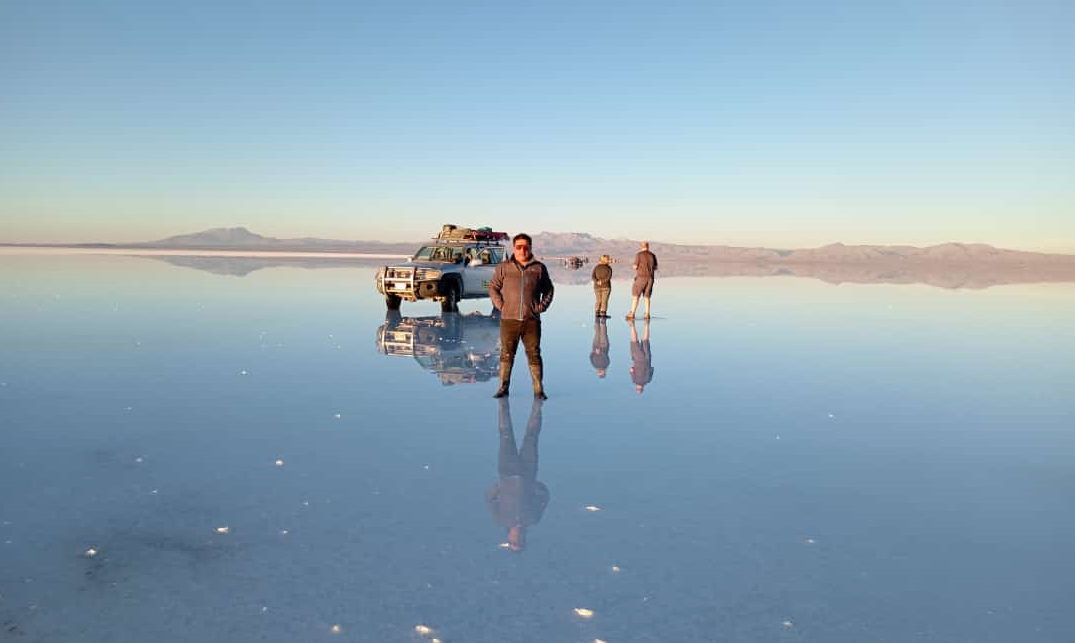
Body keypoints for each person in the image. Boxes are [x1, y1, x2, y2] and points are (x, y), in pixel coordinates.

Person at [488, 233, 555, 399]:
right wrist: (501, 306)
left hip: (531, 320)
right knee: (506, 354)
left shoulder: (539, 268)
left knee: (534, 354)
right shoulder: (504, 267)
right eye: (519, 247)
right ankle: (503, 387)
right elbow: (493, 288)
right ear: (514, 248)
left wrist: (541, 307)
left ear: (530, 248)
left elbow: (549, 290)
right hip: (509, 320)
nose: (522, 250)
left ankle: (538, 390)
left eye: (526, 247)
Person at [486, 397, 548, 552]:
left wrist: (501, 486)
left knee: (505, 434)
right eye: (519, 542)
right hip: (528, 471)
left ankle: (502, 404)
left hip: (506, 471)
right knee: (532, 436)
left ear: (509, 538)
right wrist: (535, 484)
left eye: (514, 542)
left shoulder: (500, 519)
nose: (517, 539)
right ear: (524, 539)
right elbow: (545, 496)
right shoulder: (533, 518)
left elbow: (489, 498)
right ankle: (537, 407)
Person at [626, 241, 658, 320]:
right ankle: (647, 314)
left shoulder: (639, 255)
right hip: (650, 278)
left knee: (636, 295)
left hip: (641, 277)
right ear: (648, 246)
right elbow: (656, 267)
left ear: (641, 246)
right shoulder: (653, 255)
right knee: (647, 296)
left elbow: (635, 266)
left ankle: (632, 313)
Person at [628, 319, 654, 393]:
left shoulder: (648, 380)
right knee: (634, 341)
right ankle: (632, 324)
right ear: (637, 388)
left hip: (647, 359)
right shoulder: (635, 380)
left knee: (645, 340)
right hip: (638, 359)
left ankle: (647, 323)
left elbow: (652, 369)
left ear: (643, 388)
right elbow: (631, 369)